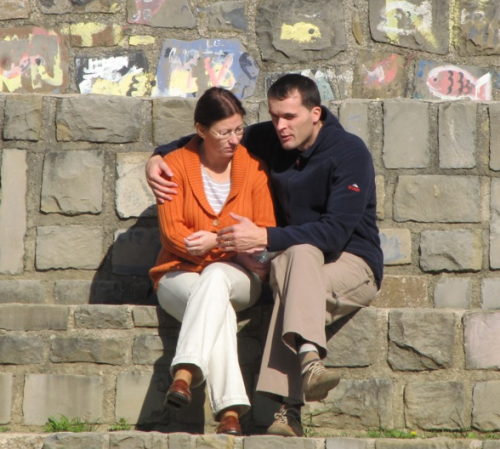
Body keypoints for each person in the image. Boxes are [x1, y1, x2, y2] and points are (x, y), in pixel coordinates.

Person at [146, 74, 383, 437]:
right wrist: (157, 157)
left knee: (295, 275)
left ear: (315, 113)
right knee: (296, 258)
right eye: (274, 116)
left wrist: (264, 236)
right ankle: (308, 363)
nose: (280, 126)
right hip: (292, 258)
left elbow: (335, 233)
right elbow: (206, 137)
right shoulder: (270, 137)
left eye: (289, 117)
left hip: (349, 261)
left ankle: (285, 409)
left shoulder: (350, 153)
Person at [149, 87, 276, 436]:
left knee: (218, 275)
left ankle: (184, 372)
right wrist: (231, 242)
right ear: (201, 130)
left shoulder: (255, 169)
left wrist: (215, 240)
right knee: (219, 308)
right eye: (224, 132)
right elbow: (175, 237)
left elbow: (263, 234)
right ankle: (230, 413)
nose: (234, 139)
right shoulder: (174, 166)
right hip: (177, 274)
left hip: (240, 277)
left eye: (239, 130)